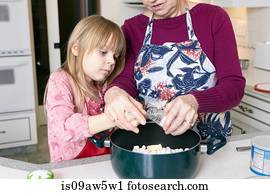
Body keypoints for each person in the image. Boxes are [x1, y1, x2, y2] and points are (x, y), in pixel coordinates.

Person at [104, 0, 245, 141]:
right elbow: (124, 81)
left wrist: (195, 101)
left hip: (212, 145)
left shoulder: (213, 17)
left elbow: (234, 87)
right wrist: (113, 92)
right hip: (153, 145)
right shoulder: (132, 28)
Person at [45, 15, 128, 162]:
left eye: (115, 56)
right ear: (76, 48)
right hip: (71, 167)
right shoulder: (60, 80)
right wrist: (114, 118)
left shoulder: (103, 85)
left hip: (101, 161)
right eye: (103, 52)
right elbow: (63, 127)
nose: (111, 62)